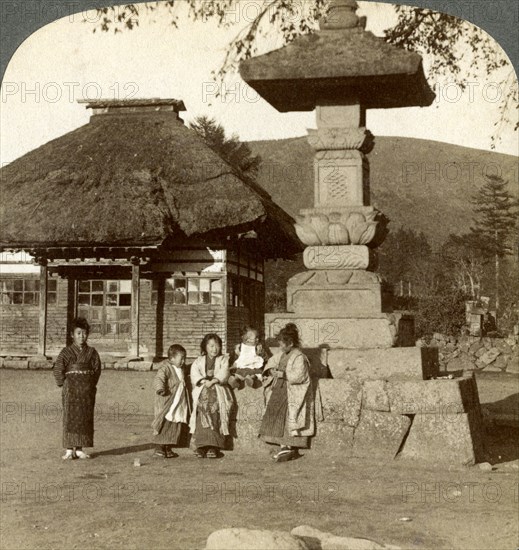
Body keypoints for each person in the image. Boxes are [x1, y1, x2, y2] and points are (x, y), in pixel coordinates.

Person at [259, 323, 316, 463]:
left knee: (289, 415)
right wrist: (271, 370)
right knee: (276, 412)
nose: (280, 346)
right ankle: (282, 444)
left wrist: (283, 374)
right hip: (279, 388)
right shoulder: (282, 355)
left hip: (291, 390)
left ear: (290, 343)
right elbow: (271, 362)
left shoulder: (299, 357)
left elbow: (299, 376)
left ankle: (290, 445)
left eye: (282, 344)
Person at [53, 317, 101, 460]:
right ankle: (69, 449)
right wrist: (64, 384)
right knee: (70, 418)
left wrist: (90, 385)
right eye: (78, 333)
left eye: (84, 333)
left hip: (86, 391)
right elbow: (58, 369)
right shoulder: (66, 352)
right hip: (71, 390)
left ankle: (80, 449)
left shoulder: (92, 352)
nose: (82, 336)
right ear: (72, 335)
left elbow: (97, 370)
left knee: (84, 417)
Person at [189, 334, 233, 459]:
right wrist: (204, 381)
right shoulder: (199, 361)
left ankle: (214, 446)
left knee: (216, 412)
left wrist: (213, 381)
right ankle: (201, 446)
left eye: (217, 345)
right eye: (211, 346)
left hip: (218, 390)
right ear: (205, 347)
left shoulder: (223, 359)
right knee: (201, 411)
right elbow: (194, 373)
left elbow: (224, 372)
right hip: (203, 389)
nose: (215, 349)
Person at [151, 344, 190, 459]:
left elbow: (189, 368)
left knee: (174, 424)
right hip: (168, 402)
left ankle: (167, 447)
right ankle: (159, 447)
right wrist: (160, 389)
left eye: (184, 358)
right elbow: (159, 378)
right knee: (165, 423)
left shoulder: (182, 368)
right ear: (171, 359)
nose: (183, 361)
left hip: (178, 402)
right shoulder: (166, 368)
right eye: (181, 358)